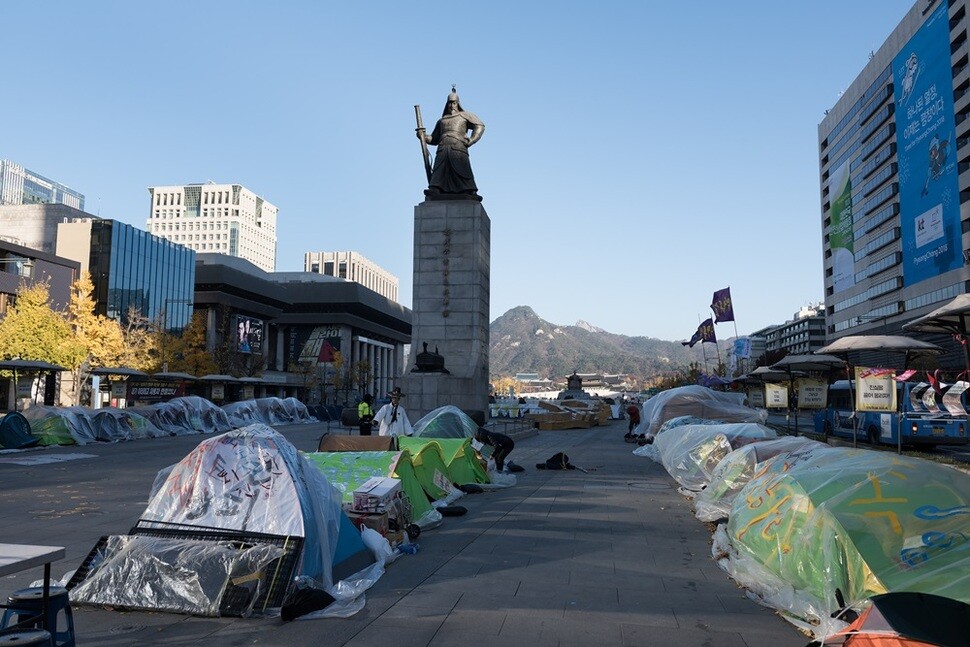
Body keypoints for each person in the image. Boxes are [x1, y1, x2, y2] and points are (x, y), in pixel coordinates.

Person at [418, 87, 485, 199]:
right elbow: (434, 139)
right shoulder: (442, 120)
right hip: (443, 147)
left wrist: (472, 139)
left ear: (458, 103)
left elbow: (480, 126)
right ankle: (435, 188)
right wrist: (423, 137)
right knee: (440, 169)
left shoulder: (464, 115)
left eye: (454, 103)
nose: (452, 105)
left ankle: (469, 190)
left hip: (458, 146)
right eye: (450, 103)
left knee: (462, 168)